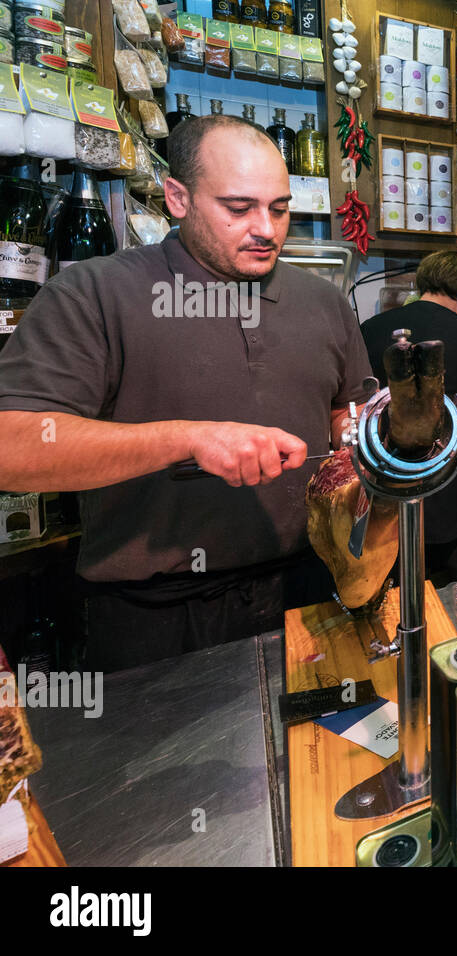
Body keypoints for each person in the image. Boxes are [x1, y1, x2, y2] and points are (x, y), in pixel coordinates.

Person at [0, 116, 372, 671]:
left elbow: (348, 411)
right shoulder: (96, 292)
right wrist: (189, 439)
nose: (267, 229)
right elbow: (13, 446)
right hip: (156, 617)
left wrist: (370, 438)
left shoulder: (324, 302)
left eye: (279, 207)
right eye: (239, 208)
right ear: (178, 198)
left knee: (328, 754)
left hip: (310, 588)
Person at [361, 252, 457, 582]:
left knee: (397, 595)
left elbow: (364, 404)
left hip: (390, 484)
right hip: (455, 488)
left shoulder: (369, 329)